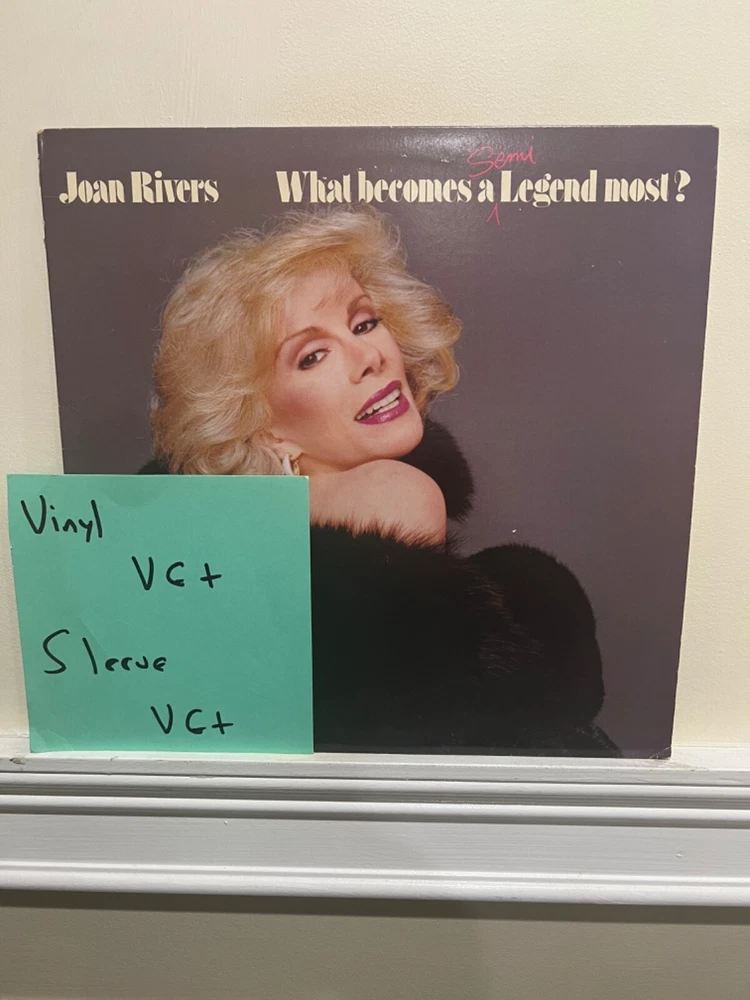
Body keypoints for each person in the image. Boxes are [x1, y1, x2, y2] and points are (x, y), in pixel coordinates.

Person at [142, 207, 618, 756]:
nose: (369, 357)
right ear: (263, 425)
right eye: (312, 356)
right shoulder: (396, 498)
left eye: (364, 324)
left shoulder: (245, 556)